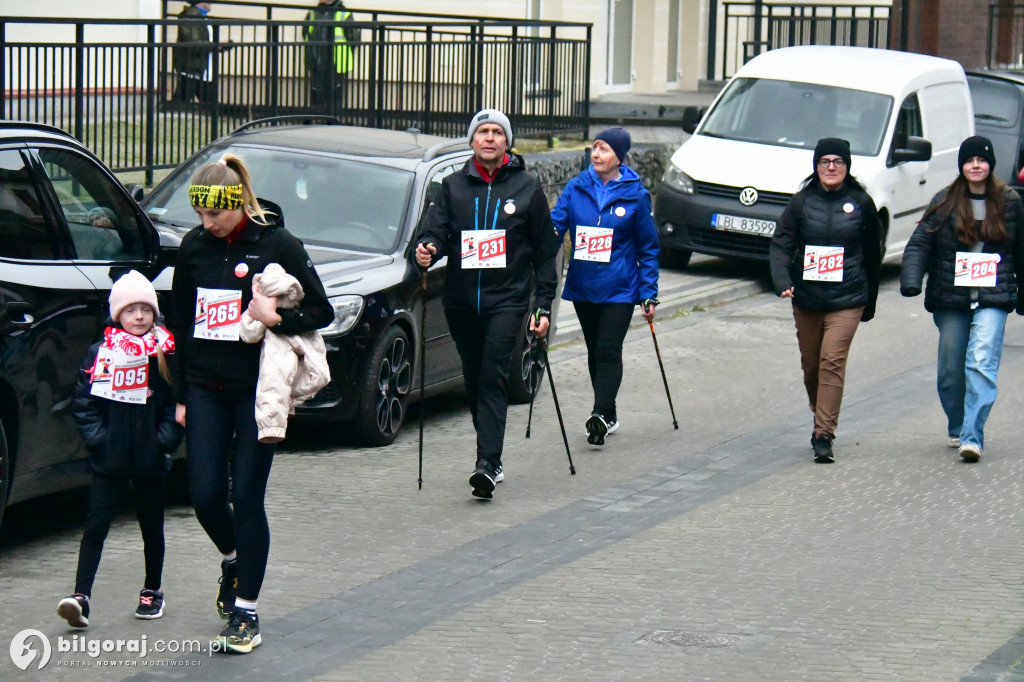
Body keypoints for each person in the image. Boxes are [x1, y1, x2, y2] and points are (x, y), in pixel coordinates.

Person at [170, 154, 333, 653]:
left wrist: (274, 317)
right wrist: (178, 395)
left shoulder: (277, 244)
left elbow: (321, 310)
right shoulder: (195, 249)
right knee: (203, 496)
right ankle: (233, 560)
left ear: (237, 204)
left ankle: (246, 613)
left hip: (256, 391)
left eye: (214, 215)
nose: (206, 224)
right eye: (200, 215)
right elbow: (180, 325)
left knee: (248, 496)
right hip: (202, 387)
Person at [410, 108, 561, 500]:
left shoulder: (527, 188)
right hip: (462, 303)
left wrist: (542, 305)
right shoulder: (452, 187)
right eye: (483, 132)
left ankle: (487, 463)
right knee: (475, 379)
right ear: (472, 141)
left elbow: (546, 253)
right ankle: (490, 455)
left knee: (493, 375)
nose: (489, 138)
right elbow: (434, 233)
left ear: (506, 142)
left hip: (508, 302)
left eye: (497, 132)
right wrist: (426, 250)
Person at [58, 271, 183, 628]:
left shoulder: (163, 352)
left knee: (151, 528)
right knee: (95, 527)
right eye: (131, 310)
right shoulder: (100, 354)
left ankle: (152, 589)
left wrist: (163, 441)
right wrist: (100, 439)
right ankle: (81, 596)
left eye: (146, 309)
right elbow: (83, 403)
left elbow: (175, 404)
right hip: (109, 458)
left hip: (149, 459)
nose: (139, 317)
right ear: (117, 315)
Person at [900, 135, 1024, 462]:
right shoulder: (945, 201)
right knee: (951, 371)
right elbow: (919, 244)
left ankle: (973, 435)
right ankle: (957, 424)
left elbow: (1022, 250)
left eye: (982, 160)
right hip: (951, 297)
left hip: (993, 296)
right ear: (962, 165)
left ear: (991, 164)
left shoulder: (1009, 201)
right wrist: (912, 279)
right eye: (970, 161)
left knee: (981, 361)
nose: (976, 166)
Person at [769, 137, 882, 463]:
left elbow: (874, 254)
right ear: (816, 166)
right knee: (811, 367)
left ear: (847, 167)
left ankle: (823, 434)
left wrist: (870, 300)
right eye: (825, 162)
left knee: (831, 361)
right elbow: (781, 244)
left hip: (847, 299)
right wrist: (782, 281)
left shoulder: (861, 203)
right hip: (807, 299)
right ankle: (821, 412)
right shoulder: (801, 203)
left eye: (838, 162)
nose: (831, 168)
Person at [550, 127, 660, 445]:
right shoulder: (576, 188)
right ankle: (608, 412)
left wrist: (648, 290)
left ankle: (598, 414)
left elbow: (648, 248)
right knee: (594, 350)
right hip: (585, 286)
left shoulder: (636, 194)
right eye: (594, 148)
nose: (597, 154)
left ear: (619, 157)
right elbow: (556, 225)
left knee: (608, 349)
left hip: (621, 287)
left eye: (604, 149)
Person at [304, 0, 359, 112]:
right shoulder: (313, 12)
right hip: (317, 59)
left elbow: (353, 37)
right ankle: (317, 117)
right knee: (317, 91)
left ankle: (332, 119)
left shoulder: (343, 13)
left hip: (337, 61)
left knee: (334, 91)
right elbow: (305, 32)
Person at [172, 2, 217, 104]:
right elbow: (194, 43)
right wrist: (215, 45)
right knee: (180, 105)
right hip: (192, 69)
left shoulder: (200, 17)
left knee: (210, 106)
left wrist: (217, 46)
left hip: (200, 69)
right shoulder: (191, 16)